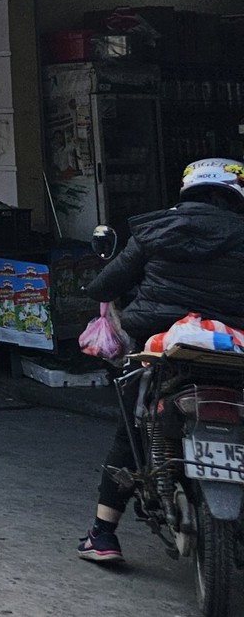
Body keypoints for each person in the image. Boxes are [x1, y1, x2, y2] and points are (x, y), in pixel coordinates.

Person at [77, 158, 244, 565]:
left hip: (161, 348)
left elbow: (106, 285)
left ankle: (103, 535)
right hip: (233, 351)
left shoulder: (155, 229)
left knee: (131, 435)